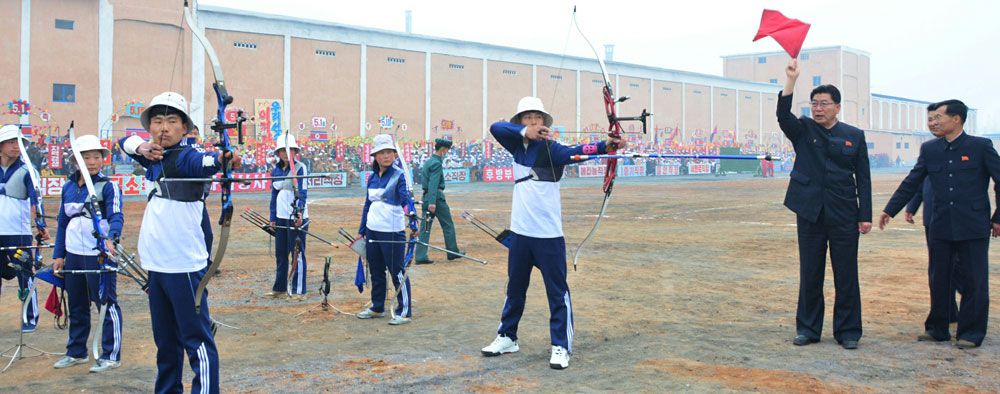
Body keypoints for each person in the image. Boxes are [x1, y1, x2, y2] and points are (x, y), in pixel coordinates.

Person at [481, 96, 622, 370]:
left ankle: (561, 346)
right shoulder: (516, 145)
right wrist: (525, 133)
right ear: (521, 123)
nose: (533, 121)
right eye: (527, 118)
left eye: (537, 118)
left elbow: (580, 150)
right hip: (521, 234)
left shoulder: (553, 150)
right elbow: (495, 127)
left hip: (548, 237)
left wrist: (608, 145)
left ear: (545, 123)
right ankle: (507, 336)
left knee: (557, 293)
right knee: (515, 289)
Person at [118, 91, 240, 392]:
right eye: (157, 121)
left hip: (183, 265)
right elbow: (122, 143)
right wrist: (143, 146)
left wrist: (225, 157)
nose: (163, 127)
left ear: (185, 128)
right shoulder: (155, 157)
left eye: (172, 121)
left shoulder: (187, 157)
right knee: (165, 343)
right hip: (156, 265)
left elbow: (210, 161)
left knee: (196, 341)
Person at [879, 99, 999, 349]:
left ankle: (971, 333)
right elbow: (912, 181)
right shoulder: (930, 149)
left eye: (938, 118)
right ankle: (937, 329)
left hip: (973, 225)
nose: (932, 123)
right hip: (941, 223)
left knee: (975, 279)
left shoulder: (981, 146)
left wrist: (998, 217)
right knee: (939, 277)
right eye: (930, 119)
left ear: (956, 119)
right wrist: (890, 209)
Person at [777, 59, 872, 350]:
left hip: (844, 213)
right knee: (811, 272)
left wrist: (864, 215)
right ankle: (808, 329)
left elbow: (864, 179)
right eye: (814, 103)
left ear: (837, 107)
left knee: (846, 275)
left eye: (824, 103)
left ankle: (848, 331)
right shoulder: (803, 129)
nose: (818, 108)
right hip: (810, 212)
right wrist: (791, 81)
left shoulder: (854, 136)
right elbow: (783, 115)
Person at [50, 134, 125, 372]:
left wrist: (111, 238)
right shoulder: (69, 187)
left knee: (105, 302)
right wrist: (58, 254)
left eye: (96, 157)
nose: (92, 162)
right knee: (77, 304)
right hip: (73, 253)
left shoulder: (108, 185)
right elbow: (62, 222)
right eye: (86, 157)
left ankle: (111, 355)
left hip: (100, 253)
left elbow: (116, 216)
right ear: (76, 160)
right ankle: (76, 351)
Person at [356, 134, 418, 325]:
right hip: (373, 230)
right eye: (382, 152)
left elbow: (406, 200)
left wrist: (413, 220)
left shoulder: (399, 175)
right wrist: (362, 230)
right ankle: (377, 307)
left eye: (389, 152)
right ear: (375, 156)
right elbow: (367, 205)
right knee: (375, 270)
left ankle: (404, 310)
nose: (386, 156)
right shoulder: (373, 178)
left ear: (394, 154)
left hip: (392, 231)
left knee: (397, 271)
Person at [0, 124, 49, 333]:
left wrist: (41, 225)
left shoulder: (27, 170)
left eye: (19, 142)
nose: (15, 146)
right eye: (11, 142)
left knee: (25, 275)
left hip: (18, 233)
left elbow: (36, 200)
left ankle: (30, 317)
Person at [905, 179, 963, 324]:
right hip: (931, 218)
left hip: (955, 217)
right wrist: (912, 206)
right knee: (937, 270)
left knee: (956, 267)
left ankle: (969, 307)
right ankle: (948, 312)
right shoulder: (929, 157)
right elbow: (921, 183)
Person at [268, 135, 308, 300]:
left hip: (295, 217)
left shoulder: (300, 167)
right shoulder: (275, 170)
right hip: (280, 216)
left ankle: (299, 290)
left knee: (297, 252)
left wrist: (299, 212)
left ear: (295, 151)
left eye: (289, 150)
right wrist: (272, 217)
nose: (286, 153)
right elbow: (274, 194)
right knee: (281, 253)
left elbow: (303, 192)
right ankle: (280, 288)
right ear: (278, 152)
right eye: (283, 150)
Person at [415, 138, 463, 264]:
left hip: (426, 197)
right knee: (448, 225)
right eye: (446, 150)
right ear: (443, 149)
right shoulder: (436, 163)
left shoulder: (428, 161)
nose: (447, 152)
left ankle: (420, 256)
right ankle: (452, 252)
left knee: (425, 228)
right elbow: (433, 183)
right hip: (436, 198)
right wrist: (432, 202)